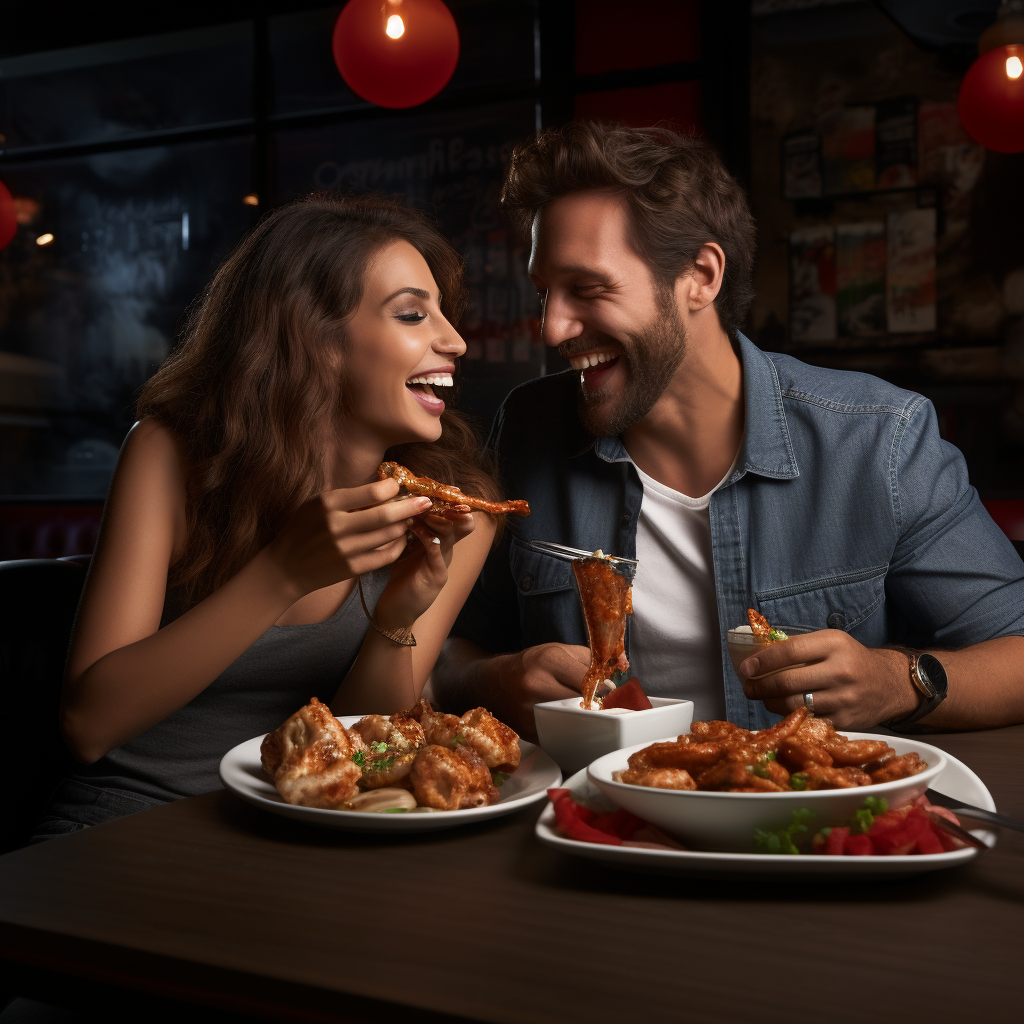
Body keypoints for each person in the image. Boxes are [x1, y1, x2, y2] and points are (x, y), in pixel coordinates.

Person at [433, 121, 1024, 740]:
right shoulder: (529, 428)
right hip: (597, 822)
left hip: (799, 825)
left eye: (587, 289)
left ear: (702, 276)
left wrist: (897, 683)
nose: (552, 329)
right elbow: (451, 650)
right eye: (545, 293)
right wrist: (493, 679)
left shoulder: (880, 440)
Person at [37, 193, 501, 841]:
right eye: (413, 315)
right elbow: (89, 726)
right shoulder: (168, 455)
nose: (452, 340)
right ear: (316, 338)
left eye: (444, 316)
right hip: (126, 825)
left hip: (307, 840)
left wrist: (396, 618)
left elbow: (361, 757)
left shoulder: (458, 513)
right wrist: (282, 573)